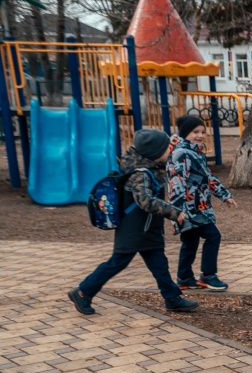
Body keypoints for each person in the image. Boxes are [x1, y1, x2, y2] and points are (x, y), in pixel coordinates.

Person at [68, 130, 199, 316]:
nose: (170, 150)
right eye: (167, 148)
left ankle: (172, 298)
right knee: (116, 263)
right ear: (154, 152)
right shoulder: (140, 174)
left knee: (159, 264)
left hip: (147, 229)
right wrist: (174, 212)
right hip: (133, 229)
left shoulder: (148, 168)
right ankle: (83, 292)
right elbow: (145, 201)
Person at [168, 115, 237, 291]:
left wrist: (224, 195)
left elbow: (208, 178)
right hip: (189, 209)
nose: (199, 135)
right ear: (185, 134)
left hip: (198, 207)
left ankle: (184, 277)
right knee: (213, 236)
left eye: (202, 132)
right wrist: (177, 211)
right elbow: (176, 183)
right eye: (195, 132)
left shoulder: (196, 153)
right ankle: (208, 275)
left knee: (190, 242)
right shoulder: (181, 154)